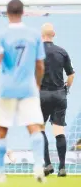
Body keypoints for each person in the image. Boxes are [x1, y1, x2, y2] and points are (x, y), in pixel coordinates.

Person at [0, 0, 46, 183]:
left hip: (6, 88)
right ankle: (39, 166)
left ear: (7, 13)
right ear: (23, 12)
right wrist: (37, 84)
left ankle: (0, 172)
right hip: (28, 88)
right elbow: (40, 65)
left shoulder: (1, 35)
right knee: (34, 126)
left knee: (1, 129)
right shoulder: (34, 35)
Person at [40, 23, 75, 177]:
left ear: (41, 36)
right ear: (53, 34)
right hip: (59, 95)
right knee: (59, 131)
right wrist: (66, 88)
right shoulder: (62, 52)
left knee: (39, 129)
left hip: (41, 95)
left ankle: (47, 164)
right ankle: (62, 167)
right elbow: (71, 74)